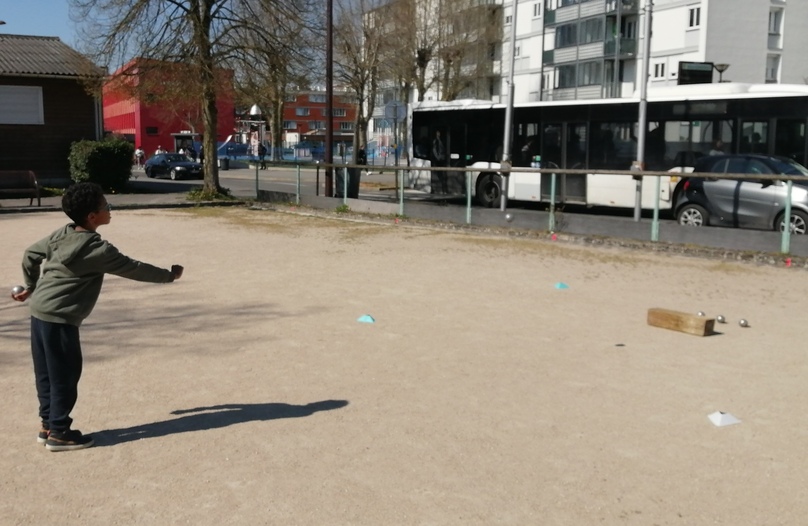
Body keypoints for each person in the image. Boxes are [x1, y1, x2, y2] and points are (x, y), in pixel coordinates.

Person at [11, 182, 184, 451]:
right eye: (106, 206)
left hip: (39, 313)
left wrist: (31, 285)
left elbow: (30, 254)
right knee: (65, 375)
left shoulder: (62, 233)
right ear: (92, 217)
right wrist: (168, 276)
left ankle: (48, 425)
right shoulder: (98, 251)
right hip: (60, 319)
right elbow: (134, 269)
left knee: (46, 372)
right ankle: (59, 433)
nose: (109, 209)